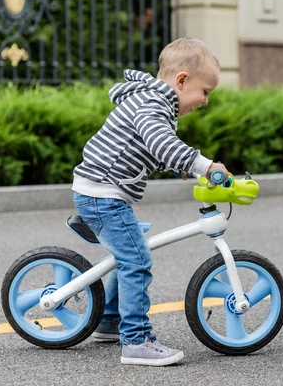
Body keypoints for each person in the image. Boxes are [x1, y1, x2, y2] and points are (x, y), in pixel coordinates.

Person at [72, 38, 228, 365]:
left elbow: (146, 149)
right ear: (182, 80)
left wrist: (178, 168)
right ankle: (136, 340)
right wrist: (204, 166)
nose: (204, 101)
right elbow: (161, 143)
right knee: (137, 260)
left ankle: (110, 321)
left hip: (101, 191)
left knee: (128, 253)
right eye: (205, 92)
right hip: (102, 195)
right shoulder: (152, 104)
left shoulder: (154, 102)